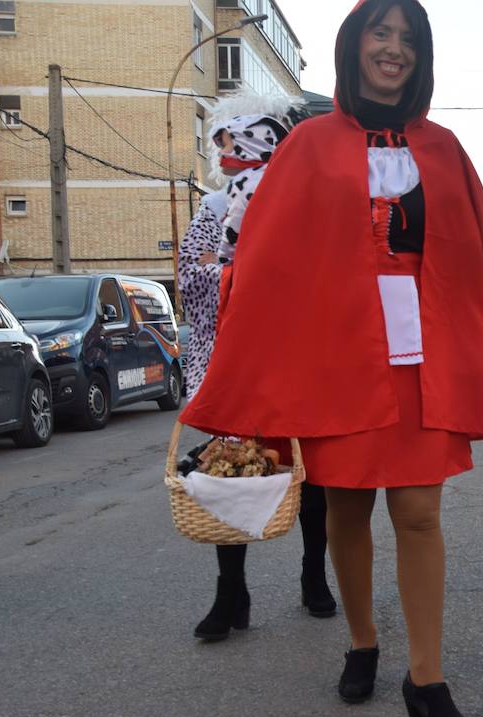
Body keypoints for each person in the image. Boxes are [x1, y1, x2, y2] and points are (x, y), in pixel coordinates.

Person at [181, 0, 483, 717]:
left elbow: (467, 260)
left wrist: (470, 350)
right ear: (354, 47)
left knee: (420, 513)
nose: (393, 50)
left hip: (419, 353)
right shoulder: (309, 145)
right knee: (350, 510)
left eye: (406, 39)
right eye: (379, 35)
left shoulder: (445, 146)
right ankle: (363, 639)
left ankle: (426, 676)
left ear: (421, 56)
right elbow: (269, 256)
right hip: (338, 352)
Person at [181, 90, 337, 642]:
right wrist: (240, 275)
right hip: (237, 358)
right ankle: (231, 593)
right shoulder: (214, 208)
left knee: (307, 467)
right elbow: (191, 281)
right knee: (235, 469)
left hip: (296, 355)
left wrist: (247, 271)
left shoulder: (301, 202)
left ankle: (314, 575)